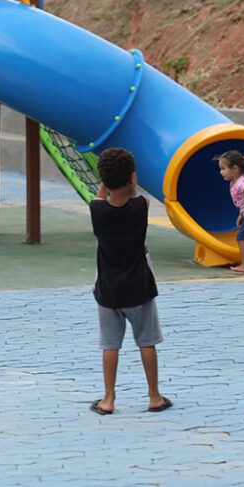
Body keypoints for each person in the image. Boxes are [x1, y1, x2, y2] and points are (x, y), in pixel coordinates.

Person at [88, 147, 171, 415]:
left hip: (108, 290)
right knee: (146, 342)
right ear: (132, 178)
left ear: (104, 179)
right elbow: (134, 194)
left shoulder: (97, 210)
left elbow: (101, 198)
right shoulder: (140, 206)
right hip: (140, 287)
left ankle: (109, 399)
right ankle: (154, 396)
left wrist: (106, 179)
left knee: (110, 345)